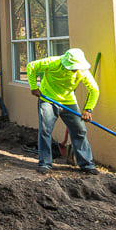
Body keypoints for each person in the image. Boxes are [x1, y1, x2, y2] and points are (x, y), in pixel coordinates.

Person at [27, 48, 99, 176]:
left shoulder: (82, 70)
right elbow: (31, 66)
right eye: (72, 68)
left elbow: (94, 90)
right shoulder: (53, 62)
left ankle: (87, 164)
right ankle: (45, 163)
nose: (74, 70)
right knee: (45, 131)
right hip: (48, 99)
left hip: (68, 101)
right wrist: (34, 87)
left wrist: (88, 109)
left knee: (79, 131)